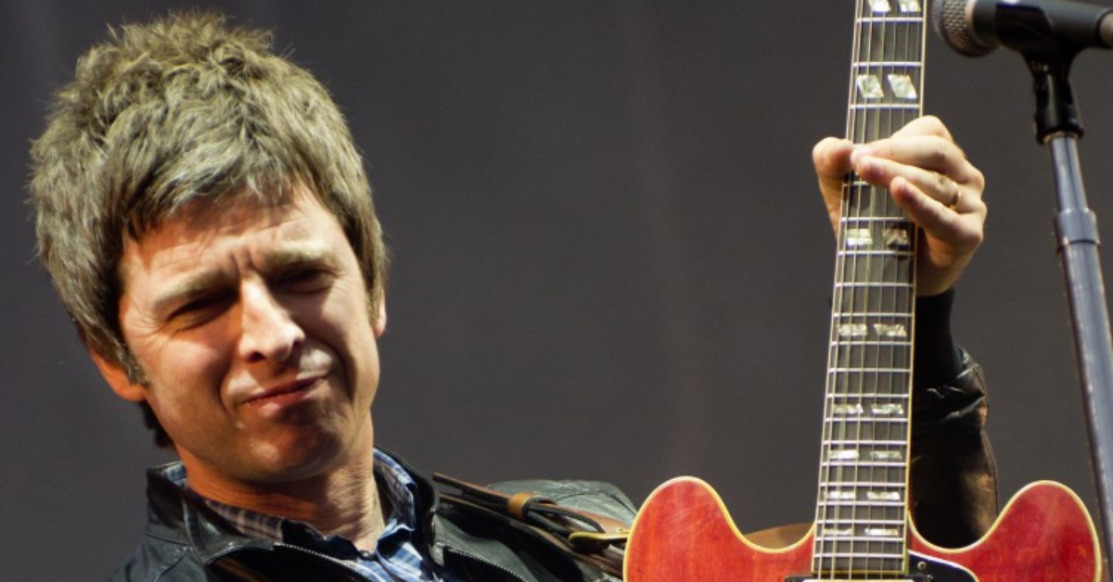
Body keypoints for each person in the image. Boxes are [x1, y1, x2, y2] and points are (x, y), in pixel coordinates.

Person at [28, 11, 993, 582]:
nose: (271, 333)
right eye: (200, 303)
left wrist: (914, 311)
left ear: (373, 281)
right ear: (114, 356)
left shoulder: (581, 540)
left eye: (300, 275)